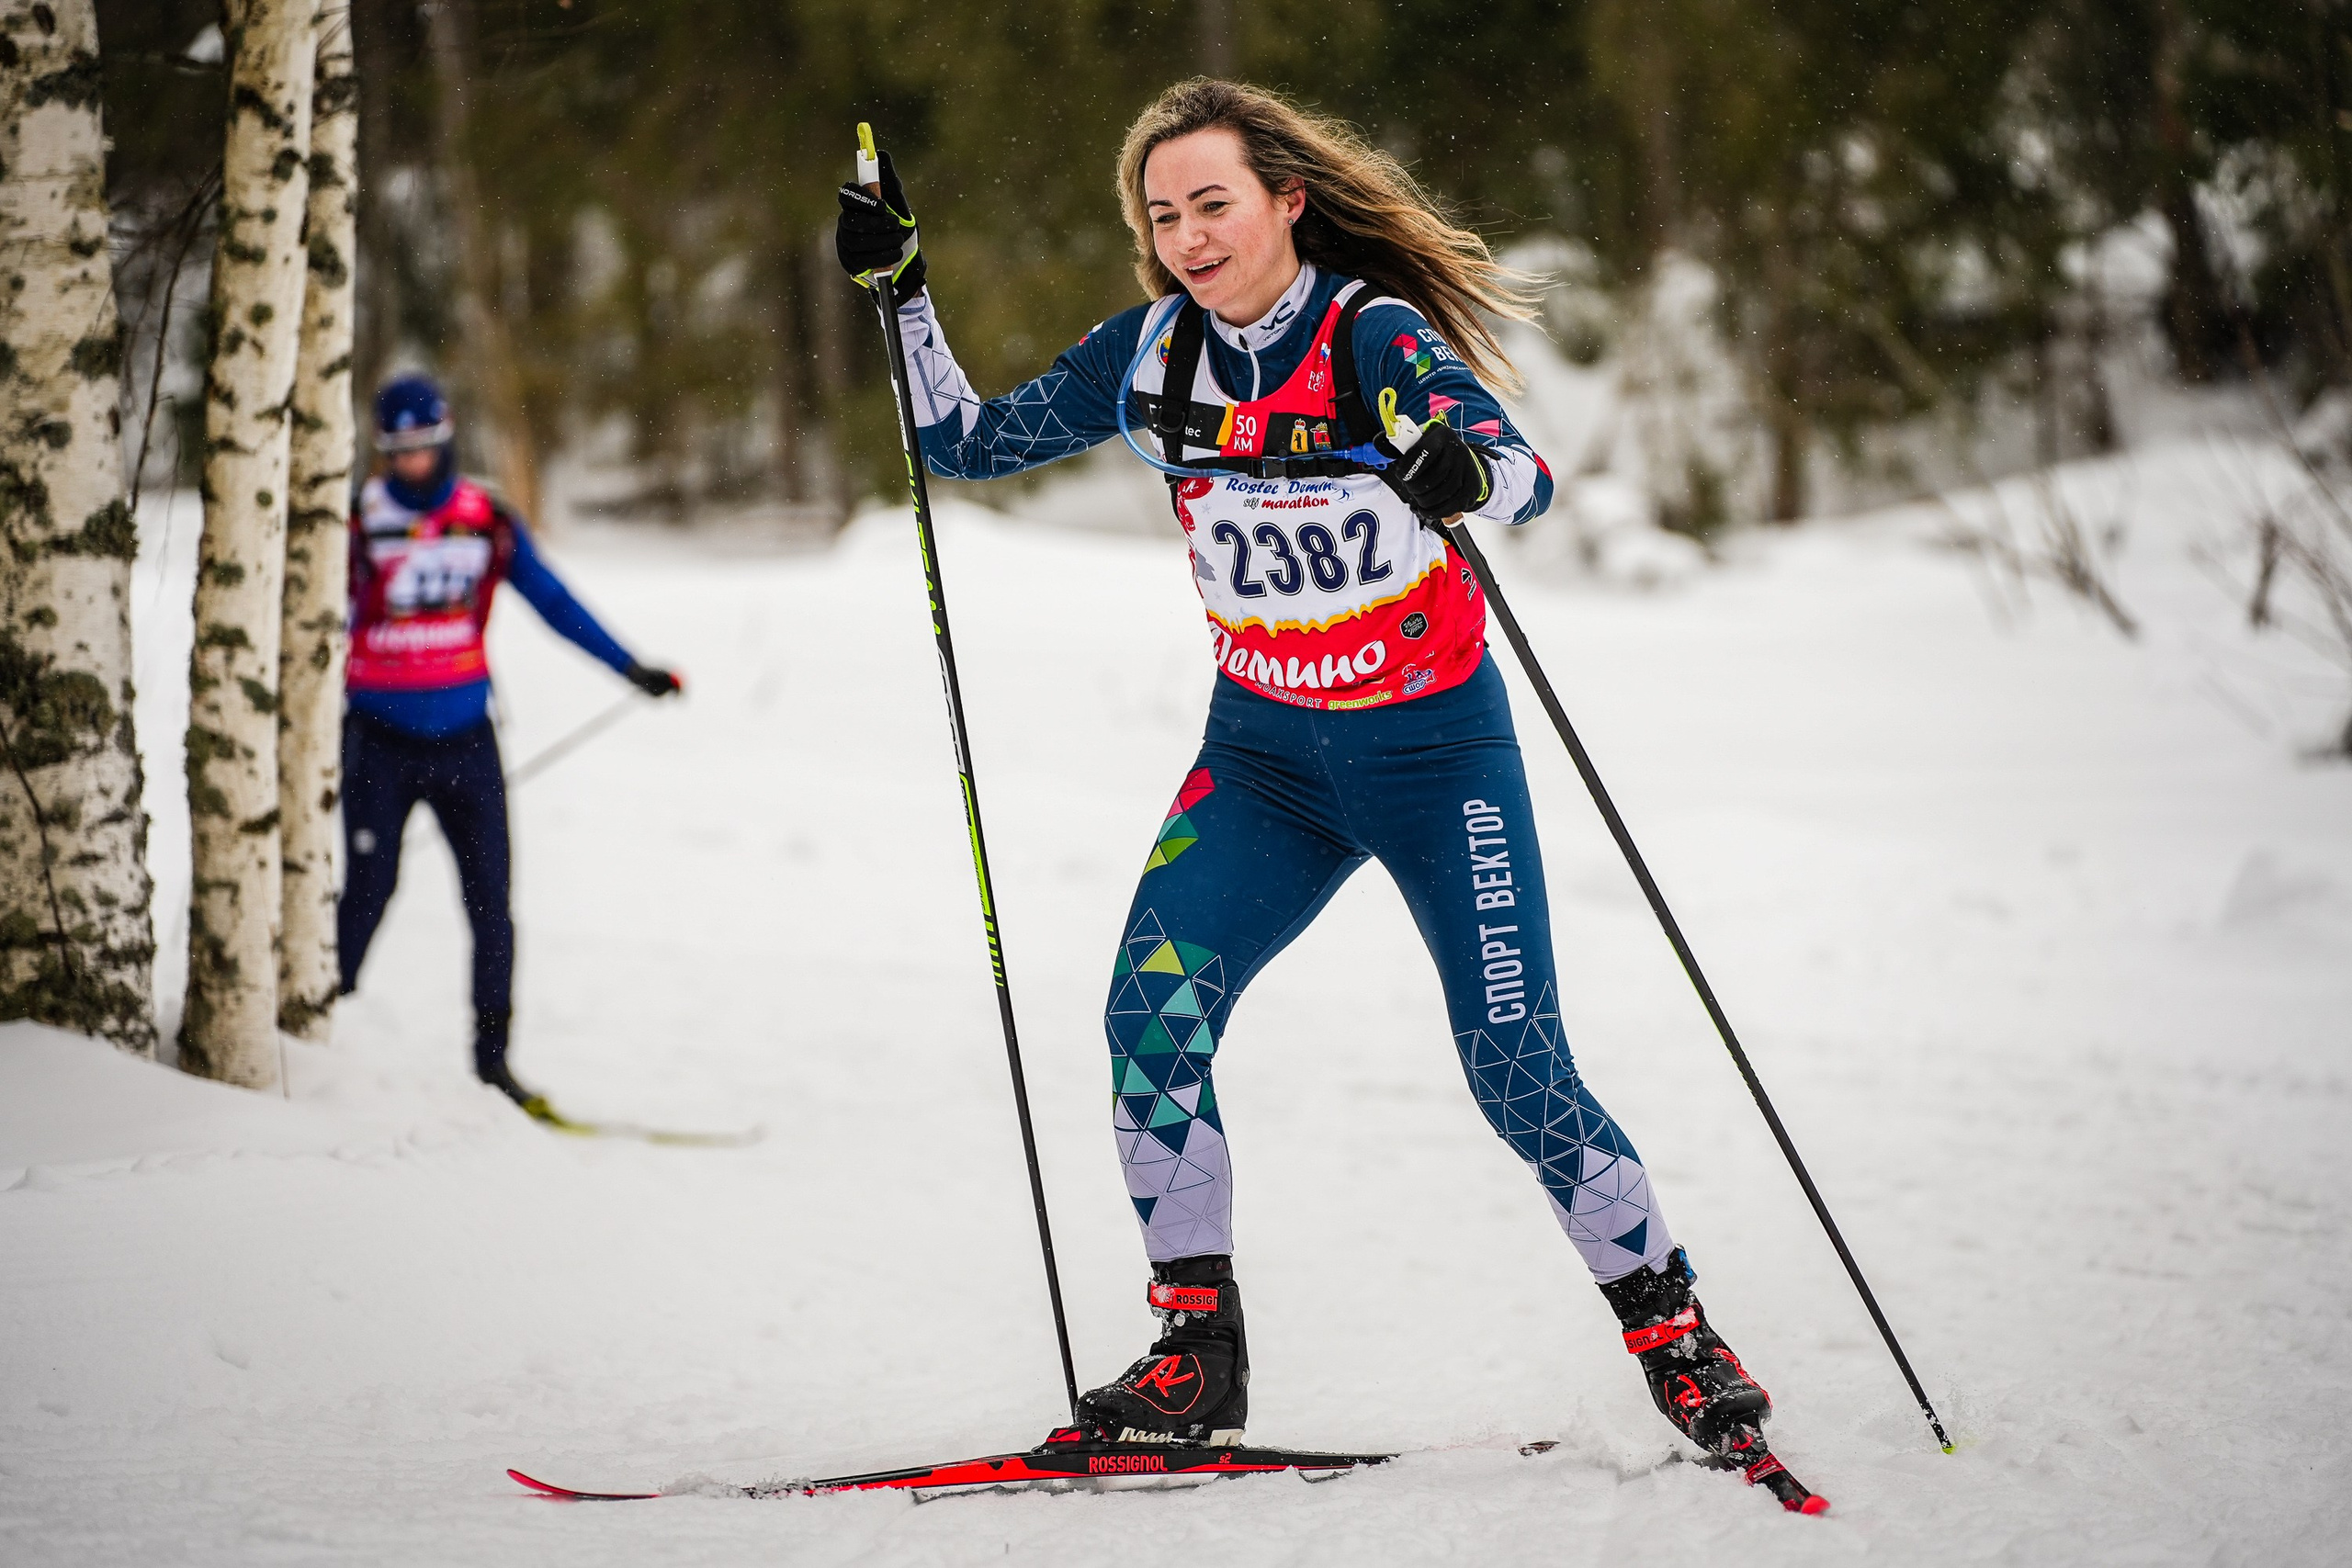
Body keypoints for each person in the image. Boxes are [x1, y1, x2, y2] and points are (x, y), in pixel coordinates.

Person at [834, 79, 1782, 1465]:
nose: (1189, 238)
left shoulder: (1368, 336)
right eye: (1163, 217)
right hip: (1265, 758)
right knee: (1147, 1021)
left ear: (1286, 199)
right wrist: (902, 295)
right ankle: (1193, 1356)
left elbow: (1524, 479)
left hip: (1433, 751)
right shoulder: (1149, 354)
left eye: (1213, 203)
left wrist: (1461, 464)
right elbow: (961, 444)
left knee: (1514, 1061)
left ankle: (1676, 1334)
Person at [339, 374, 681, 1112]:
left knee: (492, 902)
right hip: (377, 742)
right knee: (369, 887)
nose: (414, 465)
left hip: (467, 741)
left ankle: (493, 1066)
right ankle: (319, 1026)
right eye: (398, 452)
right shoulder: (356, 523)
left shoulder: (483, 517)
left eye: (425, 448)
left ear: (447, 436)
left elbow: (551, 599)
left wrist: (629, 666)